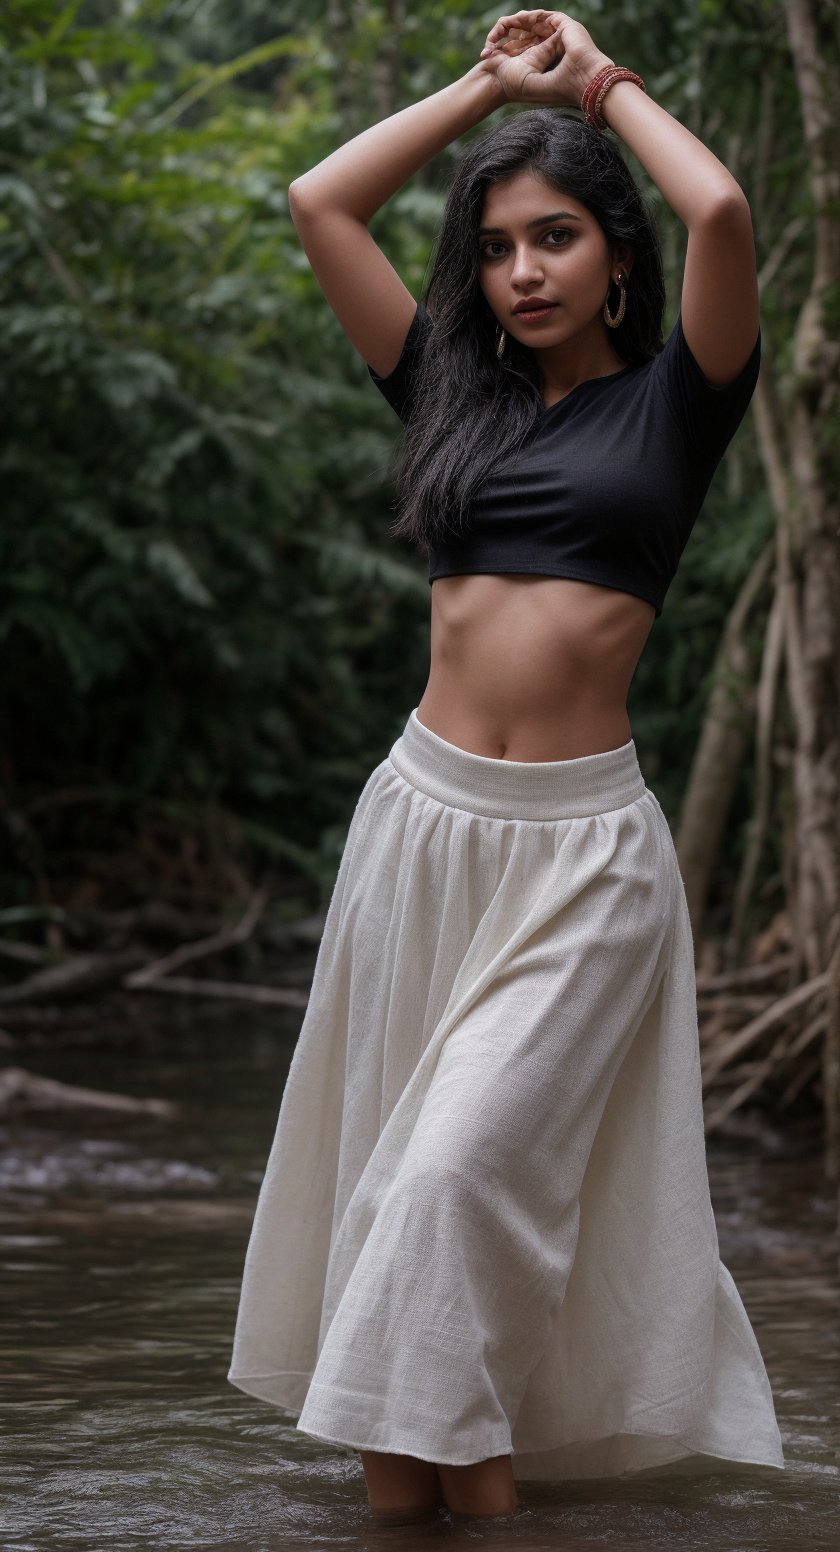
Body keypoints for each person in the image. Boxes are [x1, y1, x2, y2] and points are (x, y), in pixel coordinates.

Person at [227, 8, 785, 1529]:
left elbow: (722, 207)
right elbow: (320, 202)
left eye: (554, 238)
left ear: (614, 249)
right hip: (418, 832)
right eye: (493, 247)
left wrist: (593, 81)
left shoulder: (683, 402)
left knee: (448, 1187)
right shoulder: (444, 393)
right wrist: (484, 87)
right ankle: (446, 1519)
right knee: (395, 1223)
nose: (521, 272)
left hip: (582, 862)